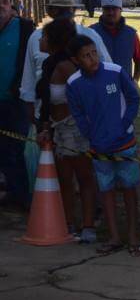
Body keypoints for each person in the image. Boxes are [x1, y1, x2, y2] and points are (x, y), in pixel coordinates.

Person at [66, 35, 140, 254]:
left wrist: (124, 124)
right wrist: (91, 136)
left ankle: (133, 235)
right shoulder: (74, 84)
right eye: (85, 56)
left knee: (129, 189)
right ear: (75, 60)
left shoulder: (115, 71)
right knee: (106, 190)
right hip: (98, 148)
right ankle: (114, 236)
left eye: (93, 53)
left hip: (125, 143)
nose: (92, 59)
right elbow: (78, 114)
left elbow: (133, 98)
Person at [35, 18, 98, 243]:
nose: (40, 40)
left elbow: (86, 96)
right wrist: (46, 125)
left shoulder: (66, 66)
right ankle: (68, 222)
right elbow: (45, 99)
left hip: (75, 126)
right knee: (64, 178)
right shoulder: (50, 63)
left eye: (44, 36)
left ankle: (88, 224)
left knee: (83, 176)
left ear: (54, 40)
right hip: (57, 126)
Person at [20, 0, 112, 125]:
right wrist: (33, 115)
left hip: (83, 120)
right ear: (51, 12)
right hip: (46, 117)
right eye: (57, 9)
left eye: (67, 10)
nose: (63, 15)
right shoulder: (36, 38)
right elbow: (29, 78)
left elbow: (106, 72)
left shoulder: (90, 36)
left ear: (73, 10)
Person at [0, 0, 34, 210]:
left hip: (16, 101)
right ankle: (12, 191)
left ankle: (23, 197)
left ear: (11, 6)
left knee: (17, 148)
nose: (0, 6)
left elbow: (30, 61)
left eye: (4, 1)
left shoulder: (24, 28)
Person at [90, 0, 140, 81]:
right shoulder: (91, 32)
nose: (111, 12)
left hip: (123, 87)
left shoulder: (131, 34)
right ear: (102, 10)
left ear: (120, 10)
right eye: (107, 9)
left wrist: (135, 81)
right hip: (98, 86)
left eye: (114, 9)